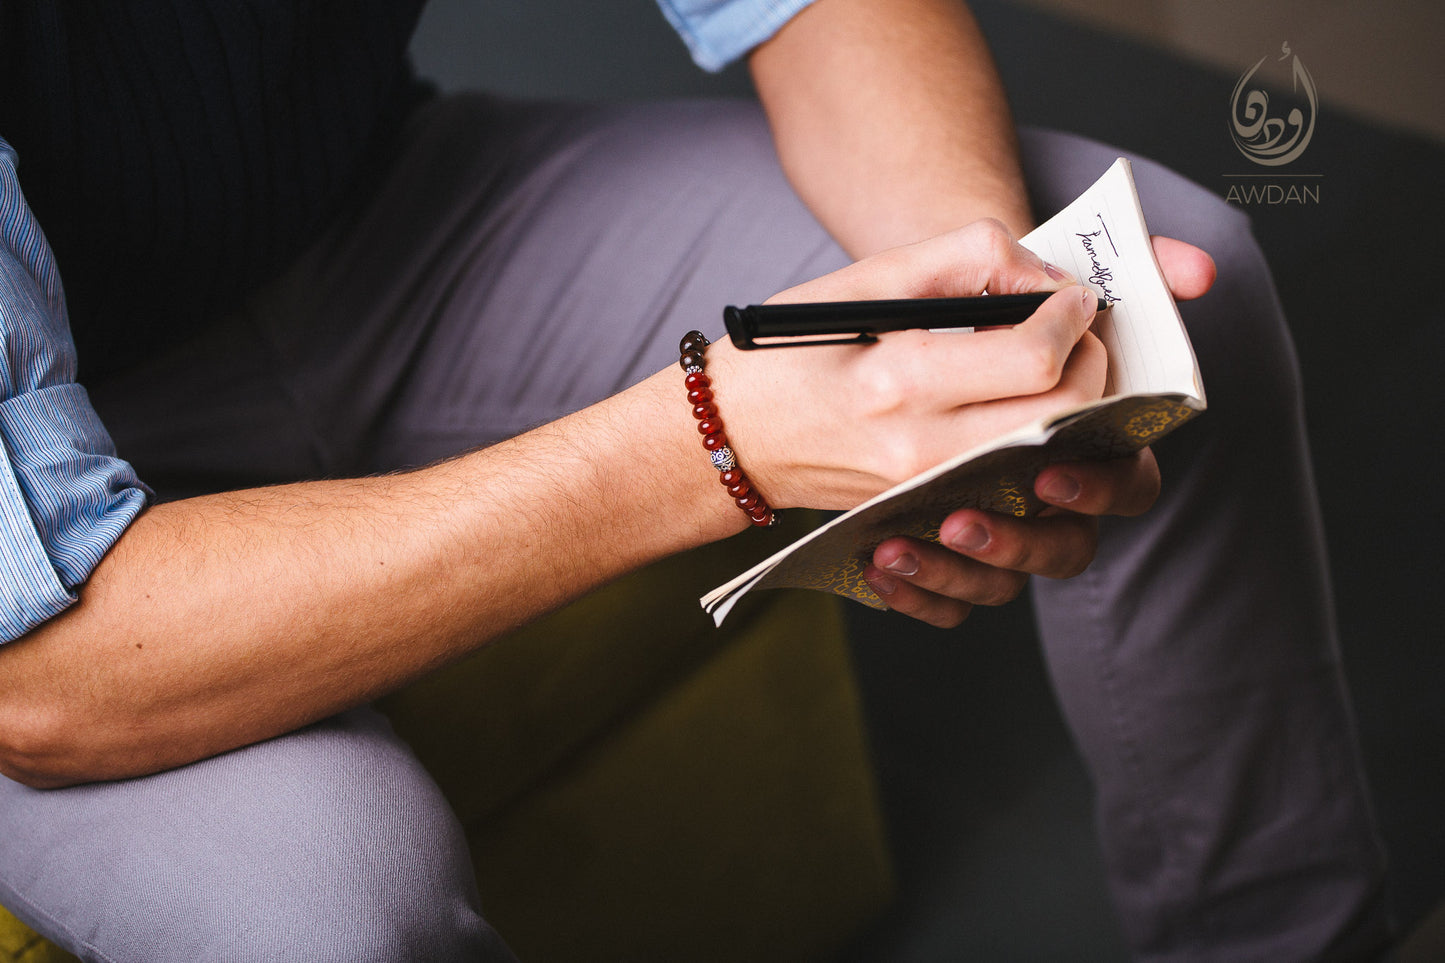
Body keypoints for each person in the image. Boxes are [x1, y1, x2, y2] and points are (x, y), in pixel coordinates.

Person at [0, 0, 1391, 960]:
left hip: (378, 229)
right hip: (58, 563)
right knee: (323, 918)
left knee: (1146, 312)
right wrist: (718, 443)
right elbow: (46, 674)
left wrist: (975, 332)